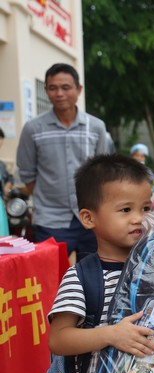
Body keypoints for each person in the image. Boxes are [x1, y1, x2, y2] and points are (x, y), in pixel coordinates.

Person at [47, 154, 154, 373]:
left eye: (146, 208)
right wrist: (110, 334)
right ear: (89, 218)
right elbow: (58, 339)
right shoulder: (82, 277)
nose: (139, 218)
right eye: (126, 209)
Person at [16, 63, 108, 264]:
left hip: (90, 217)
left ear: (78, 89)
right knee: (49, 280)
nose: (59, 93)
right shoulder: (33, 129)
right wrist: (47, 199)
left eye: (65, 87)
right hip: (50, 220)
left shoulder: (96, 127)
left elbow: (103, 173)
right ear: (46, 90)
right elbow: (27, 173)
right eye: (52, 88)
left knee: (93, 277)